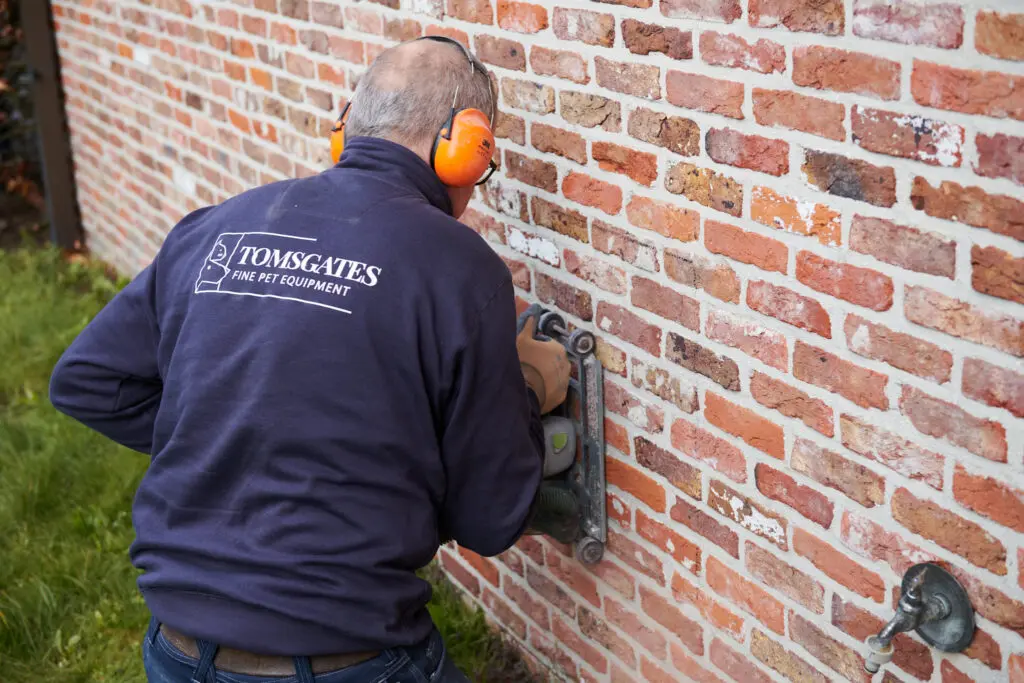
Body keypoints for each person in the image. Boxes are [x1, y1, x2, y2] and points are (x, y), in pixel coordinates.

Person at [48, 36, 571, 683]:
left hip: (176, 647)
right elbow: (490, 517)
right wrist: (524, 384)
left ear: (345, 126)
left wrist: (230, 430)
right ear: (464, 148)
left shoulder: (214, 228)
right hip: (344, 653)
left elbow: (88, 381)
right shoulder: (461, 270)